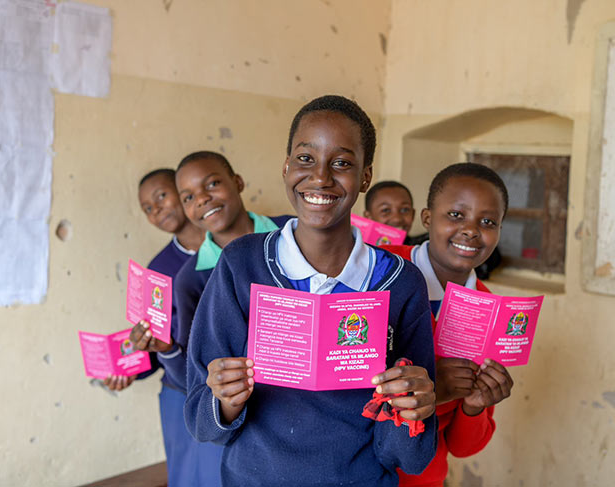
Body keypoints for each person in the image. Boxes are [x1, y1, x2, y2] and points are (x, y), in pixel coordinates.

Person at [184, 95, 438, 487]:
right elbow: (202, 423)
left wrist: (414, 413)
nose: (320, 177)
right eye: (305, 159)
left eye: (342, 163)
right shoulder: (241, 265)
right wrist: (223, 400)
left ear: (365, 177)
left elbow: (407, 457)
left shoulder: (400, 283)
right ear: (286, 167)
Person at [132, 151, 291, 486]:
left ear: (237, 182)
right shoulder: (191, 278)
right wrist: (167, 348)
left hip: (300, 400)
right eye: (189, 196)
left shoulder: (289, 233)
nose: (202, 199)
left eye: (213, 184)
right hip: (244, 406)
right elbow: (194, 375)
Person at [381, 163, 515, 487]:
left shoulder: (491, 312)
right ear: (427, 218)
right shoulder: (379, 268)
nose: (471, 230)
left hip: (422, 478)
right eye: (456, 215)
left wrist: (474, 405)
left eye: (487, 221)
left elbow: (461, 447)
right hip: (355, 470)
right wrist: (431, 390)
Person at [104, 168, 205, 486]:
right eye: (147, 207)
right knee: (188, 477)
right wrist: (129, 368)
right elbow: (157, 337)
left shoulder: (234, 243)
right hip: (180, 390)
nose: (156, 209)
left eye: (161, 196)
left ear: (183, 190)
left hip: (235, 385)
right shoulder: (159, 268)